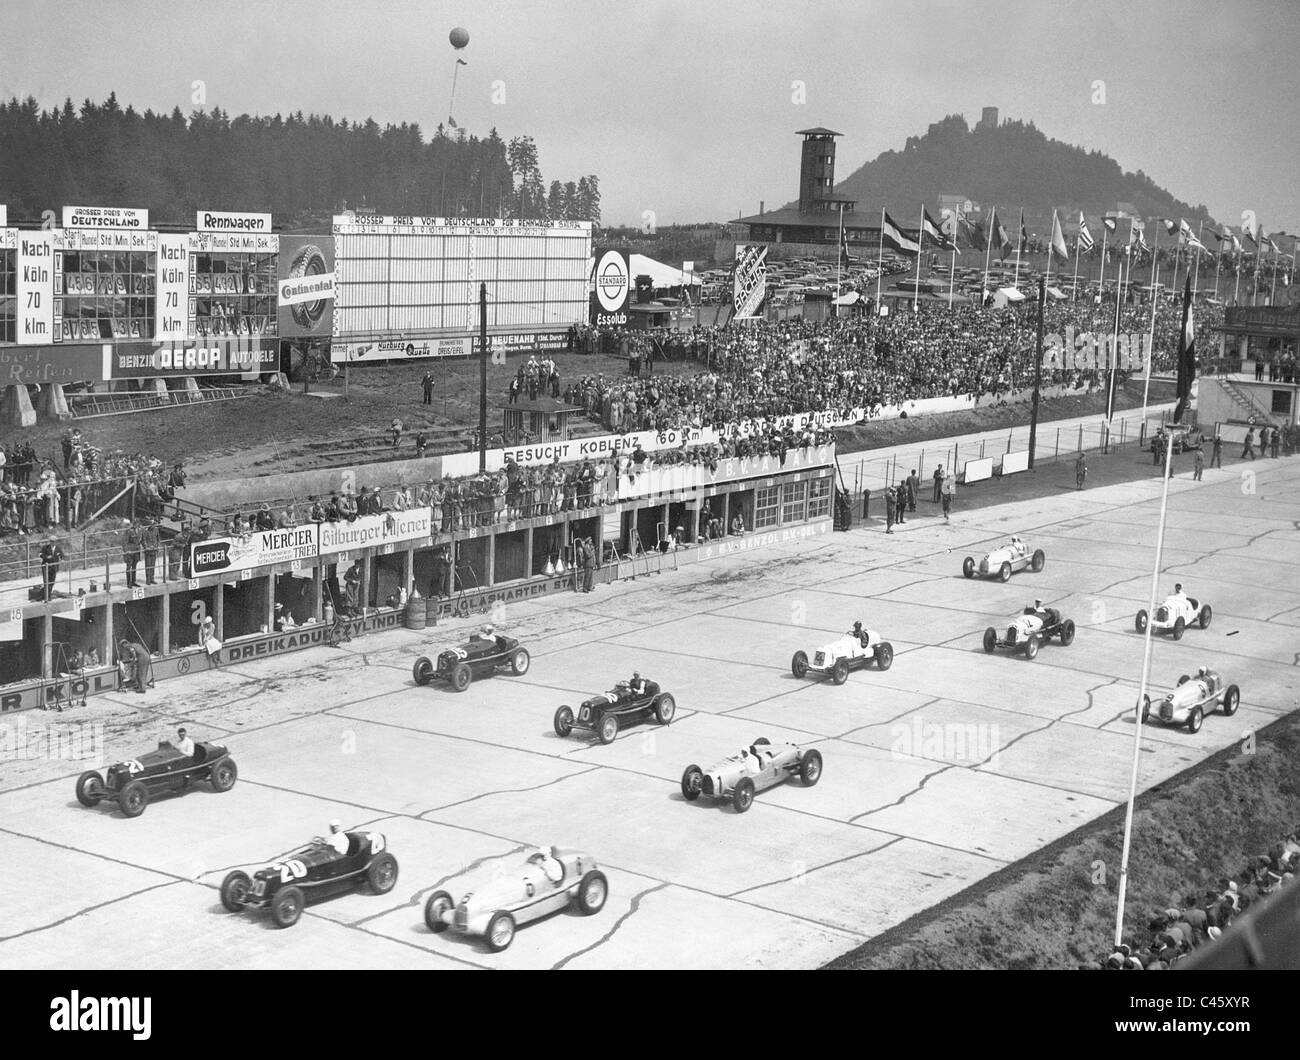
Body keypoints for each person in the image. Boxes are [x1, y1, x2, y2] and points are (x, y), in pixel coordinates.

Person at [123, 522, 142, 588]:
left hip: (136, 551)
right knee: (129, 567)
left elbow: (140, 541)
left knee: (134, 567)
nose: (136, 525)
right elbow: (124, 542)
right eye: (135, 524)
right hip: (130, 552)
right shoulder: (129, 531)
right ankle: (129, 583)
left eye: (137, 524)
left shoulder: (140, 530)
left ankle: (133, 581)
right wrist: (126, 551)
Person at [142, 518, 160, 585]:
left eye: (153, 524)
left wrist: (157, 546)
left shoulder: (156, 529)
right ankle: (148, 580)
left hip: (154, 550)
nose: (152, 526)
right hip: (148, 551)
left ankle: (152, 578)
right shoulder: (145, 531)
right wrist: (147, 547)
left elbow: (158, 539)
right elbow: (143, 540)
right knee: (148, 565)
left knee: (153, 565)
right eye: (151, 524)